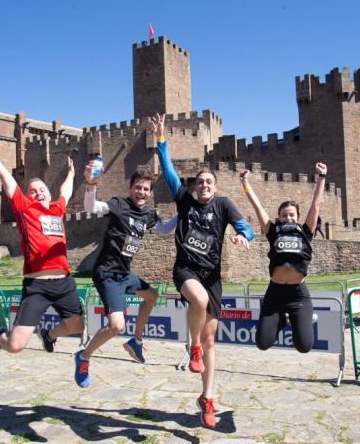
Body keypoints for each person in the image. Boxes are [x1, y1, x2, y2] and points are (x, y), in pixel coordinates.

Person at [153, 113, 255, 428]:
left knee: (212, 339)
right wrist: (161, 141)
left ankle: (207, 398)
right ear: (195, 187)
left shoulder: (223, 205)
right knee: (197, 301)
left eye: (209, 182)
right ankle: (192, 346)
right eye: (200, 182)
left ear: (215, 186)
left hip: (213, 277)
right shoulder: (184, 200)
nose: (204, 185)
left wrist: (242, 236)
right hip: (186, 270)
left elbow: (246, 227)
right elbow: (169, 172)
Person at [0, 124, 84, 363]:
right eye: (33, 191)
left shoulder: (56, 209)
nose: (38, 193)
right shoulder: (24, 208)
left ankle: (49, 335)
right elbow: (5, 176)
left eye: (42, 189)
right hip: (37, 286)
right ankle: (0, 336)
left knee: (77, 326)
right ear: (27, 196)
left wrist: (72, 174)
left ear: (48, 194)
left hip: (63, 281)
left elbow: (65, 190)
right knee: (15, 345)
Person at [67, 165, 177, 388]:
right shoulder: (119, 205)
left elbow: (164, 230)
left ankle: (135, 341)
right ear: (130, 188)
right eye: (138, 187)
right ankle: (84, 356)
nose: (142, 192)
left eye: (146, 189)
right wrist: (90, 184)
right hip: (106, 274)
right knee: (116, 325)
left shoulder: (147, 214)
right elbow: (92, 207)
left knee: (152, 296)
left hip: (125, 275)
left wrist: (181, 213)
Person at [239, 162, 326, 355]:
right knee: (263, 343)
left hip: (298, 295)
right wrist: (245, 182)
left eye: (292, 215)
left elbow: (316, 205)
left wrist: (322, 177)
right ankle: (282, 319)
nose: (288, 218)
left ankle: (296, 318)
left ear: (297, 216)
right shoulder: (273, 231)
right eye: (284, 215)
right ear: (279, 217)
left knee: (304, 346)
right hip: (275, 294)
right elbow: (257, 206)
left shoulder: (306, 231)